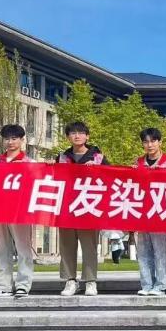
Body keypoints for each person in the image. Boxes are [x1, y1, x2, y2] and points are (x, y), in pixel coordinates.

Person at [58, 120, 109, 296]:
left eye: (80, 133)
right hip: (66, 208)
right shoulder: (62, 157)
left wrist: (98, 170)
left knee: (89, 246)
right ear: (68, 137)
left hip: (89, 207)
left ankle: (90, 281)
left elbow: (111, 179)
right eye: (73, 133)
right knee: (66, 245)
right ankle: (70, 280)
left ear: (87, 136)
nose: (77, 136)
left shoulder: (98, 158)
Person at [133, 127, 166, 296]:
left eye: (153, 141)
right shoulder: (138, 162)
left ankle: (160, 285)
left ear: (160, 142)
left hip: (161, 213)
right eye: (146, 142)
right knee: (143, 251)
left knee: (160, 251)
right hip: (143, 213)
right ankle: (146, 284)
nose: (149, 145)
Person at [0, 124, 35, 298]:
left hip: (20, 212)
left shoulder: (30, 163)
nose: (10, 142)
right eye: (7, 139)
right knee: (1, 249)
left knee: (23, 248)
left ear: (22, 140)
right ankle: (3, 284)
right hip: (0, 210)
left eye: (14, 138)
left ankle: (23, 284)